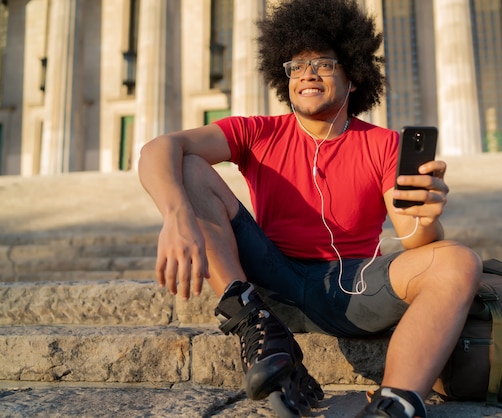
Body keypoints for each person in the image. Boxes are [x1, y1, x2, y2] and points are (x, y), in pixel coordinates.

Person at [138, 0, 482, 416]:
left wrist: (427, 219)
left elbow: (415, 239)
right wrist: (177, 216)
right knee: (189, 166)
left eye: (322, 63)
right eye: (296, 66)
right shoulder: (258, 131)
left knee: (459, 261)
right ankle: (254, 325)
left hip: (351, 288)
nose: (307, 75)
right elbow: (160, 147)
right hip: (271, 283)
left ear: (353, 77)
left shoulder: (384, 144)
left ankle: (398, 404)